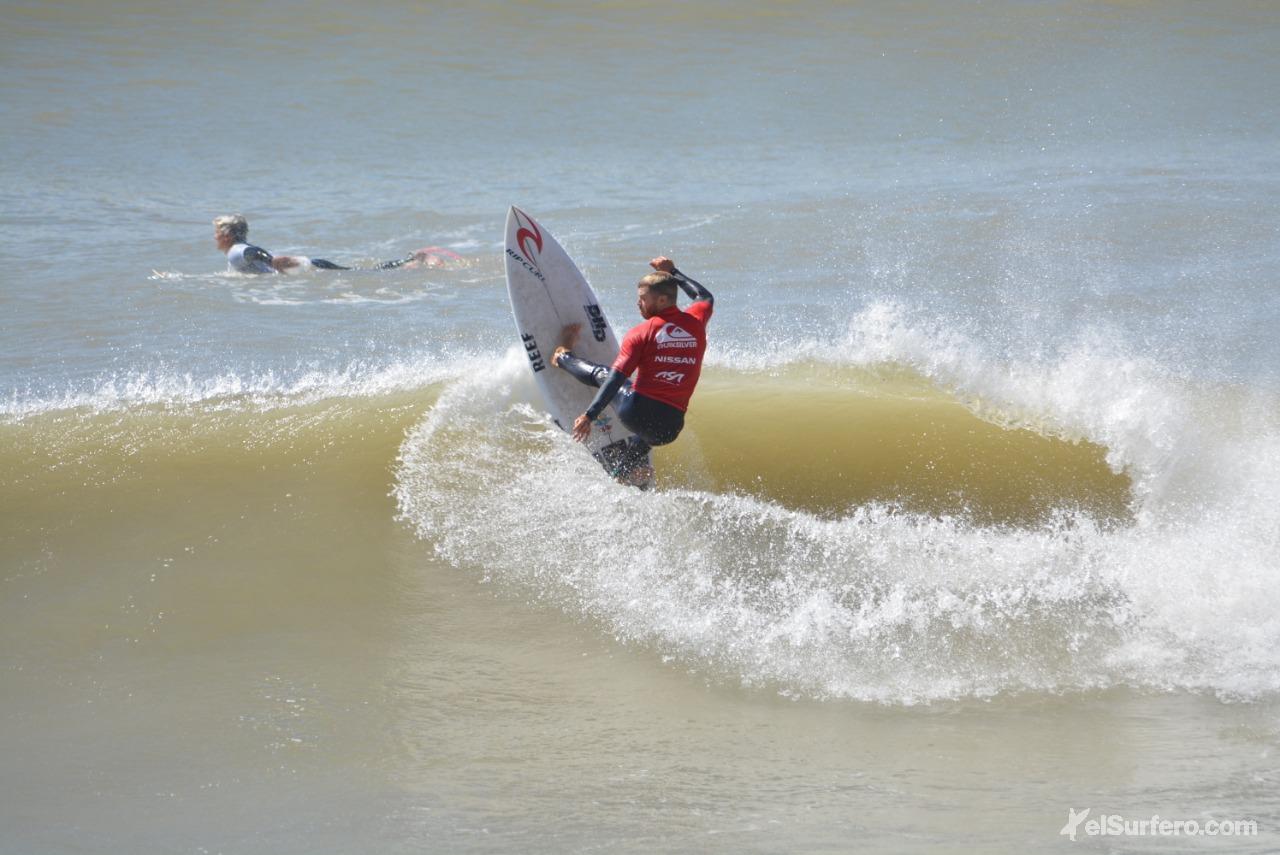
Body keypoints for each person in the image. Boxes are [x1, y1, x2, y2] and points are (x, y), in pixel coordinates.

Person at [551, 256, 714, 483]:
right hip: (671, 428)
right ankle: (620, 473)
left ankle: (561, 357)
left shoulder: (642, 333)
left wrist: (589, 416)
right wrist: (673, 271)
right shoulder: (696, 322)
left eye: (643, 299)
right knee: (649, 435)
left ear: (663, 300)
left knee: (602, 374)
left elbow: (616, 378)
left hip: (636, 412)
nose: (638, 304)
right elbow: (704, 297)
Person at [212, 214, 460, 274]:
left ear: (226, 235)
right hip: (311, 265)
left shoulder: (236, 251)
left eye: (216, 233)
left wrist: (271, 260)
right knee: (364, 272)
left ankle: (413, 258)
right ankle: (410, 259)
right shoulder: (236, 251)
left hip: (313, 267)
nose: (214, 238)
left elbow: (252, 252)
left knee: (364, 273)